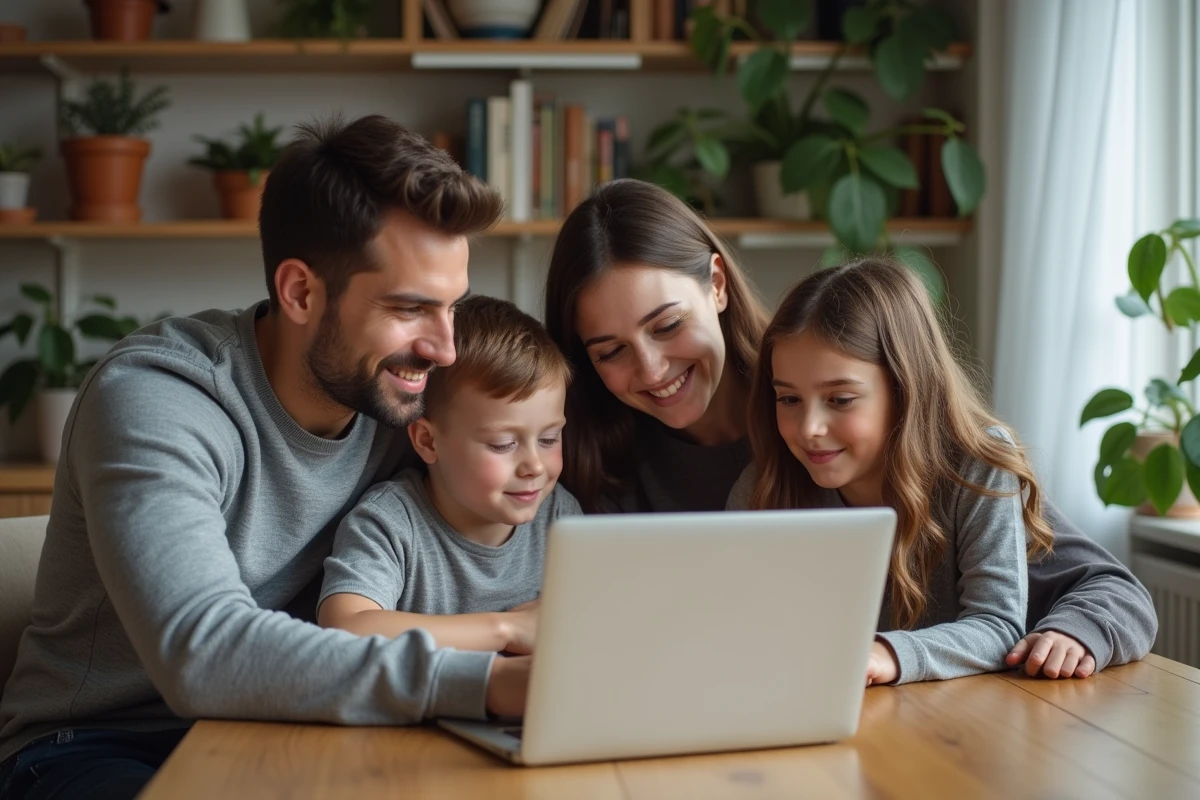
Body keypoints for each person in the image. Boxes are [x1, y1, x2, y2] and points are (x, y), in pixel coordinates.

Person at [0, 115, 528, 800]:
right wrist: (487, 677)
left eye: (452, 308)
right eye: (410, 308)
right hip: (100, 744)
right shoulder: (159, 398)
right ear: (301, 292)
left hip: (297, 729)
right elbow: (204, 652)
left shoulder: (405, 400)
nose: (444, 348)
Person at [543, 178, 1156, 682]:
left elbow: (1098, 589)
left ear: (718, 285)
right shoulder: (583, 454)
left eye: (667, 324)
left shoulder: (858, 406)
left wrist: (1074, 630)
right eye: (610, 350)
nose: (651, 369)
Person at [732, 258, 1052, 684]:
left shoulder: (979, 466)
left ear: (905, 390)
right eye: (788, 400)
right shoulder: (765, 484)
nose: (808, 429)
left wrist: (885, 654)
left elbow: (998, 626)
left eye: (841, 399)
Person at [317, 296, 580, 651]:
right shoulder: (391, 523)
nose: (534, 465)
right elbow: (345, 627)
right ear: (428, 441)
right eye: (503, 444)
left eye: (549, 438)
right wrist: (507, 628)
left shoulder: (562, 519)